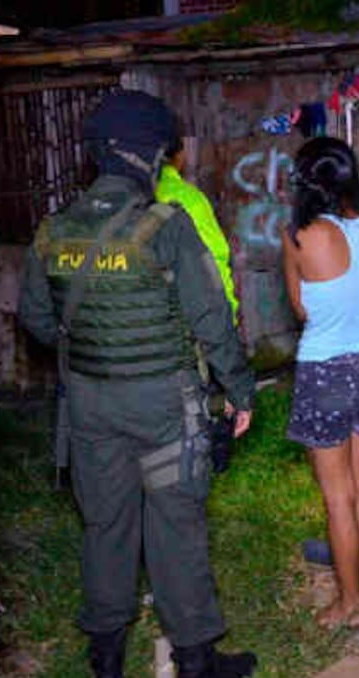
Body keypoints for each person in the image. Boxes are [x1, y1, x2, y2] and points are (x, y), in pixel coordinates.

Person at [18, 90, 257, 678]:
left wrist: (95, 353)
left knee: (106, 525)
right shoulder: (166, 225)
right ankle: (198, 670)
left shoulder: (53, 229)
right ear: (148, 158)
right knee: (175, 527)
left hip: (91, 406)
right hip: (163, 407)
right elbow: (211, 319)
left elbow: (38, 321)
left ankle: (106, 663)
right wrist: (239, 389)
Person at [281, 138, 359, 628]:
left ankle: (347, 601)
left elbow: (302, 308)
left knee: (338, 498)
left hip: (325, 370)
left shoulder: (301, 235)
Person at [156, 136, 240, 474]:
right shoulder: (186, 198)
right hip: (188, 323)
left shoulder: (116, 199)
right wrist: (229, 316)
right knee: (200, 398)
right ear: (178, 156)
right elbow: (215, 264)